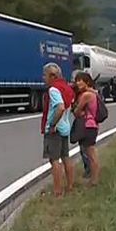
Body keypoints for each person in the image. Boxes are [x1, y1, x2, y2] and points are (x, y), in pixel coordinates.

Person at [41, 62, 74, 197]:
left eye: (45, 75)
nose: (43, 78)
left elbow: (60, 107)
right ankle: (70, 186)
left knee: (54, 160)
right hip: (65, 127)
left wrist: (52, 125)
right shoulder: (67, 88)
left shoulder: (54, 90)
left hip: (56, 129)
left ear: (52, 76)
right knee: (66, 157)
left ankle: (57, 190)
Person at [73, 72, 101, 186]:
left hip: (88, 126)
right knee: (91, 154)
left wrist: (78, 111)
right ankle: (94, 179)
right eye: (77, 80)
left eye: (80, 80)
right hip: (93, 125)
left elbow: (76, 111)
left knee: (91, 154)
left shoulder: (86, 95)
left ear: (87, 82)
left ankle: (93, 180)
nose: (78, 83)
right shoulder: (94, 93)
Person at [71, 81, 91, 179]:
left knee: (85, 148)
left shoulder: (84, 96)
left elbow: (77, 111)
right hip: (87, 124)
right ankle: (89, 169)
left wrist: (77, 110)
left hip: (85, 124)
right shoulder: (90, 94)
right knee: (85, 148)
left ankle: (89, 170)